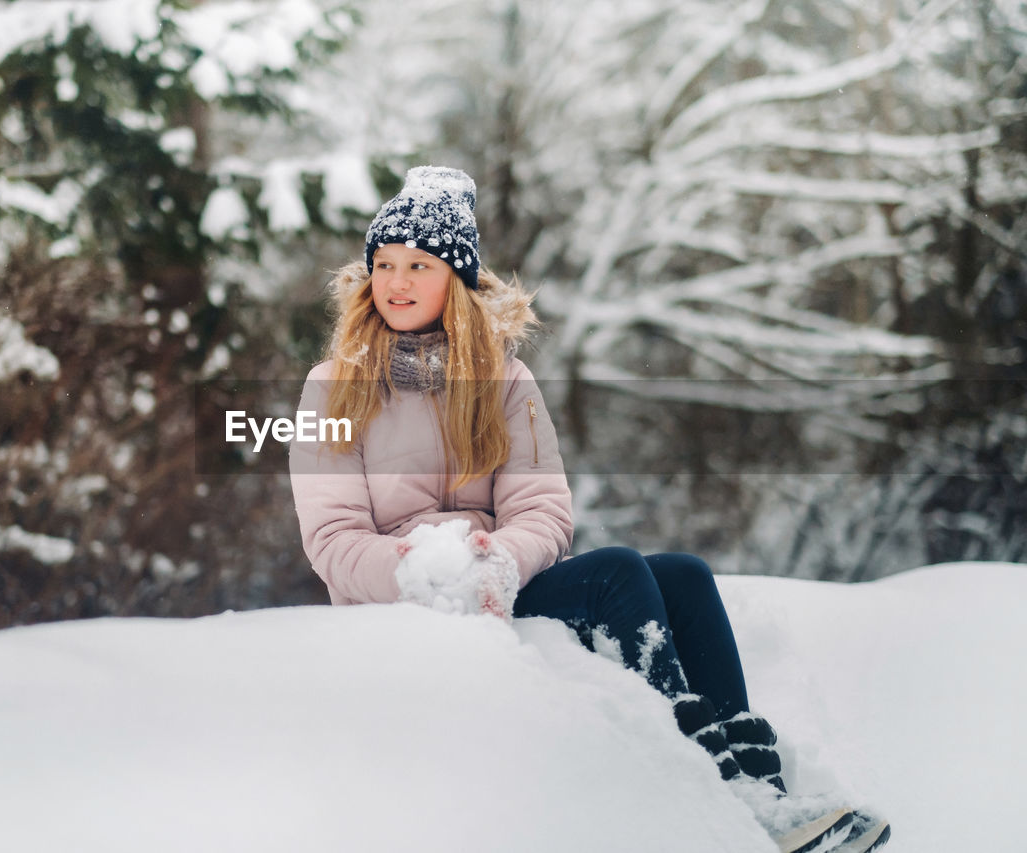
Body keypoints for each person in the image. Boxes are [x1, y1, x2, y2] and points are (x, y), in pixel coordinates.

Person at [288, 166, 889, 853]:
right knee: (617, 572)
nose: (395, 281)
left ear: (454, 279)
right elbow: (332, 538)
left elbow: (542, 509)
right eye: (384, 264)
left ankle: (763, 791)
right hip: (404, 598)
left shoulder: (505, 380)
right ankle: (705, 790)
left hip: (499, 583)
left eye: (418, 265)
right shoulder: (331, 388)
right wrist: (423, 569)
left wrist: (500, 560)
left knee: (686, 574)